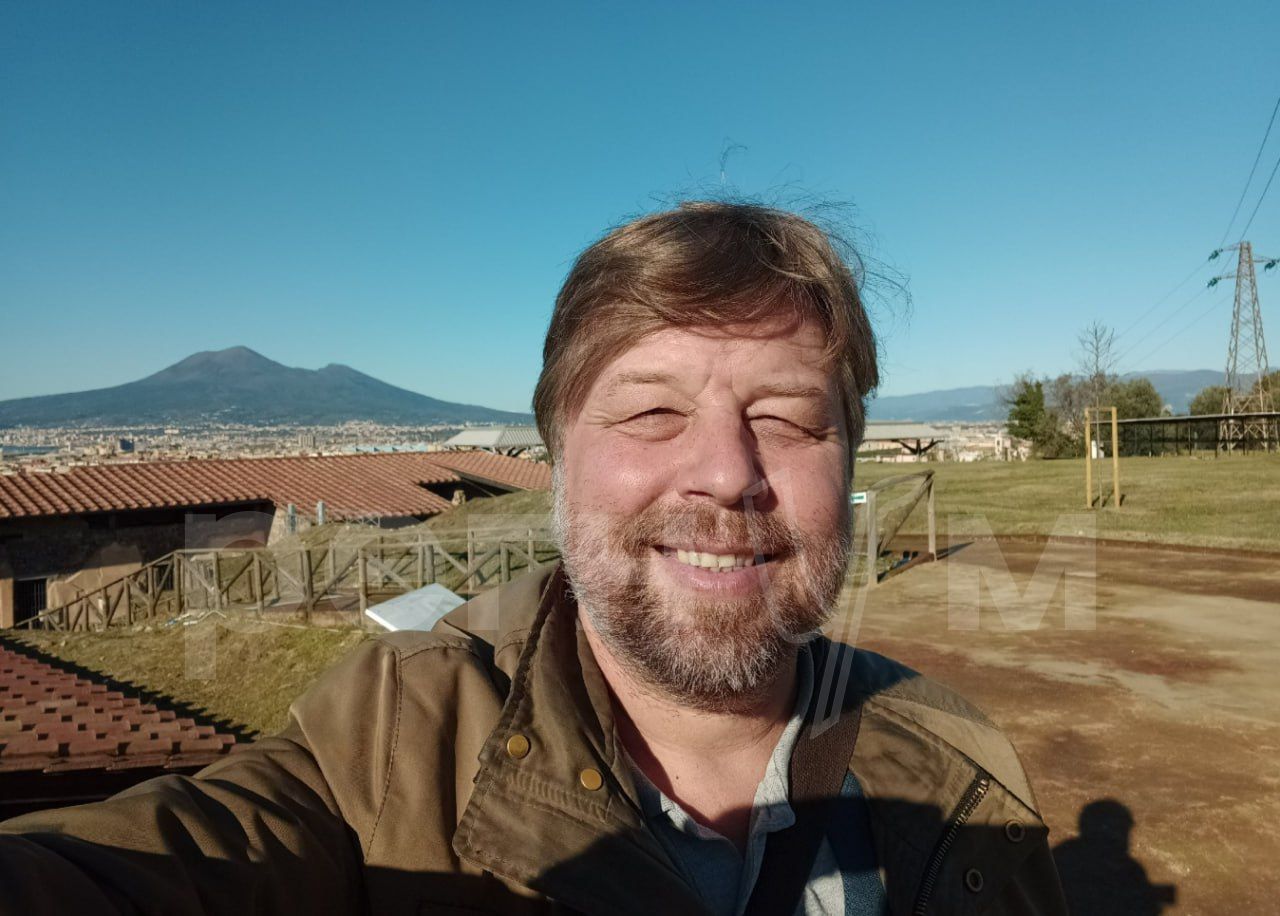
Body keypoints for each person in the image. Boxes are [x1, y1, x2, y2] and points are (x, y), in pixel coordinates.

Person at [0, 201, 1067, 915]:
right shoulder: (389, 743)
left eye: (788, 418)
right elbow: (166, 859)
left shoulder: (962, 768)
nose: (725, 473)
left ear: (848, 462)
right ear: (556, 462)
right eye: (650, 411)